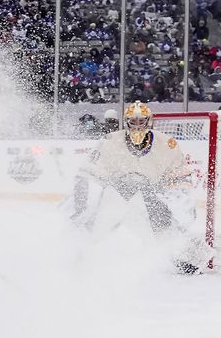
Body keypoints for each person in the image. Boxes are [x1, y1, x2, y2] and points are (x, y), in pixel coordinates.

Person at [67, 101, 205, 271]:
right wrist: (82, 210)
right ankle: (78, 254)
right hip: (116, 195)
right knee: (92, 225)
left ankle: (186, 258)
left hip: (151, 198)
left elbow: (180, 182)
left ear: (150, 121)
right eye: (133, 121)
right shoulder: (110, 142)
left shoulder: (167, 144)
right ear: (126, 122)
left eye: (142, 121)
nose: (138, 126)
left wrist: (178, 209)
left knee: (168, 228)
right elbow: (87, 175)